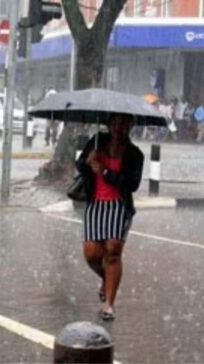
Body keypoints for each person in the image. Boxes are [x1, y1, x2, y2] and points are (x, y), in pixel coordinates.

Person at [76, 113, 144, 321]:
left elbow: (132, 184)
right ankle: (107, 278)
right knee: (92, 254)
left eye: (124, 123)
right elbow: (80, 166)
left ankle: (109, 305)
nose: (118, 128)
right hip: (95, 204)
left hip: (118, 206)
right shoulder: (96, 142)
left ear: (130, 126)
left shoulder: (135, 154)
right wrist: (88, 163)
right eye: (115, 123)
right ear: (108, 124)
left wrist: (105, 172)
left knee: (113, 251)